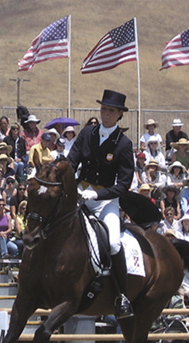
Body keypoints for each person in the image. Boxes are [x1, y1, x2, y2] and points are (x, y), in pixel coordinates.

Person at [68, 89, 135, 319]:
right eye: (104, 109)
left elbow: (124, 184)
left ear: (119, 115)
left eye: (111, 111)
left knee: (114, 244)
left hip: (106, 202)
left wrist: (97, 196)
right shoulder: (87, 133)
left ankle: (122, 296)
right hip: (80, 195)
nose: (106, 114)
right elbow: (71, 161)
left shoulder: (124, 144)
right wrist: (71, 184)